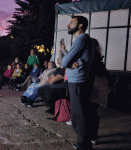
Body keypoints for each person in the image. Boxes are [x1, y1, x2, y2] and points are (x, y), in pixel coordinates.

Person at [61, 16, 97, 150]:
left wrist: (68, 61)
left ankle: (84, 145)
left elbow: (64, 62)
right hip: (77, 81)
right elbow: (69, 60)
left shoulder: (81, 39)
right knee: (80, 113)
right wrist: (69, 58)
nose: (68, 25)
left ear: (80, 25)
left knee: (78, 115)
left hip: (78, 82)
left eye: (71, 22)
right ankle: (83, 142)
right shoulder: (82, 40)